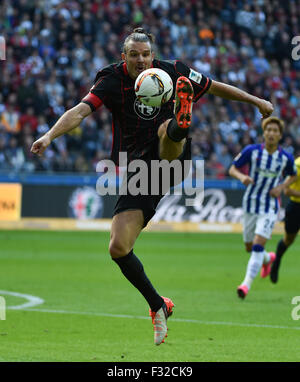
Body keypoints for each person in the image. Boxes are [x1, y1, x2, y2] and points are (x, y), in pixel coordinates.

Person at [31, 28, 274, 344]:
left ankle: (179, 122)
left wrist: (256, 101)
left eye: (145, 54)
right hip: (139, 173)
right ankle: (158, 305)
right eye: (134, 55)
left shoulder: (174, 71)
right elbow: (80, 111)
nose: (141, 60)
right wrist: (49, 136)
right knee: (118, 247)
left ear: (152, 54)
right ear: (124, 57)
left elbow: (214, 87)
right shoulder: (111, 79)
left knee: (166, 132)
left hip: (171, 157)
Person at [229, 117, 297, 299]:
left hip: (269, 206)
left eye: (275, 131)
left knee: (258, 245)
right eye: (269, 130)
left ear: (280, 135)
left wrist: (281, 188)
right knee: (249, 247)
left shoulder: (285, 157)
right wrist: (241, 177)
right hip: (250, 203)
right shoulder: (251, 151)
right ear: (264, 133)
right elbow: (233, 169)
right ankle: (268, 259)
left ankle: (245, 285)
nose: (271, 133)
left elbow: (293, 175)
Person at [270, 155, 300, 283]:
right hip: (296, 208)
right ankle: (276, 261)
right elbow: (287, 191)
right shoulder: (298, 165)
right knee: (288, 240)